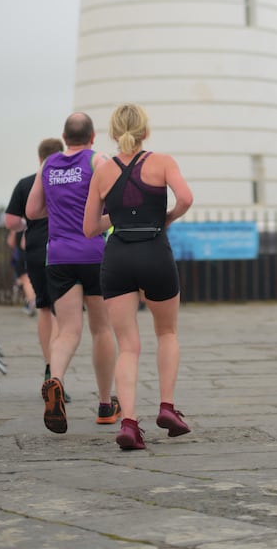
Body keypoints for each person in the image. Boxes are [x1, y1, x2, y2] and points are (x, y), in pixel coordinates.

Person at [83, 104, 193, 451]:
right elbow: (186, 198)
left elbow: (89, 228)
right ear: (145, 131)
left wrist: (116, 219)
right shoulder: (162, 162)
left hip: (118, 256)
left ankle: (129, 423)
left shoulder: (102, 171)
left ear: (114, 134)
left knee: (127, 345)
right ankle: (167, 407)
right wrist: (167, 217)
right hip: (154, 250)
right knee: (167, 332)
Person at [26, 113, 119, 434]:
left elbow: (32, 211)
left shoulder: (48, 164)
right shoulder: (98, 161)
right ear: (92, 137)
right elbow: (118, 201)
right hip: (95, 253)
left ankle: (56, 379)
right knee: (102, 329)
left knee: (67, 330)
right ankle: (106, 404)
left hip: (59, 255)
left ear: (64, 138)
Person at [4, 139, 62, 392]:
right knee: (64, 311)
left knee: (44, 307)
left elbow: (10, 221)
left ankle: (49, 365)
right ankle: (59, 372)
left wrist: (27, 227)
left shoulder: (26, 183)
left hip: (36, 248)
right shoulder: (68, 182)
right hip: (65, 248)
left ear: (39, 158)